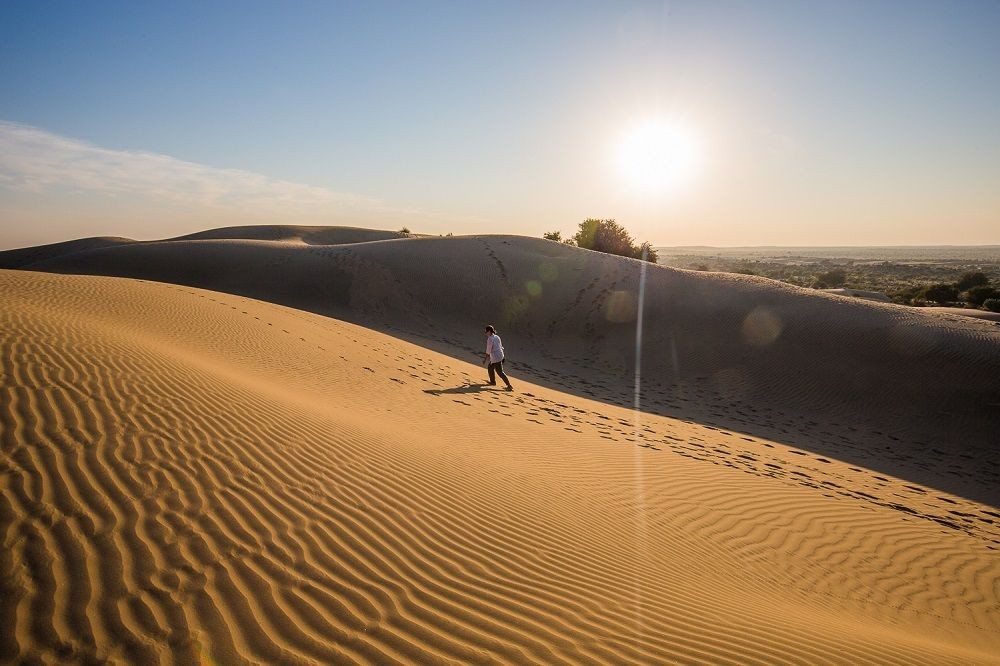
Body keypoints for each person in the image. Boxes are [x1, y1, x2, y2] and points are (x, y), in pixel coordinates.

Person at [483, 325, 513, 390]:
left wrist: (485, 359)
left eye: (486, 331)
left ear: (489, 331)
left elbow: (488, 350)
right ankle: (492, 382)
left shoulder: (490, 339)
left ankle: (509, 385)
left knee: (500, 372)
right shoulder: (497, 336)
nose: (485, 333)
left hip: (496, 357)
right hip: (499, 355)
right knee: (490, 367)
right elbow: (500, 346)